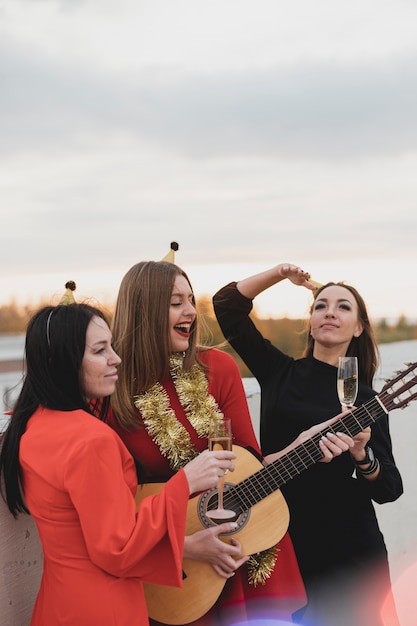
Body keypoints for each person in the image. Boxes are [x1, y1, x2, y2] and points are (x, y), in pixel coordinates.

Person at [105, 258, 354, 626]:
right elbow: (113, 506)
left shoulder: (217, 368)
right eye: (176, 303)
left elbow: (249, 465)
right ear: (142, 309)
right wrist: (184, 547)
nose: (191, 311)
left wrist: (300, 445)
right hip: (176, 569)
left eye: (190, 300)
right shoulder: (111, 389)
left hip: (243, 547)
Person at [0, 296, 237, 626]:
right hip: (104, 608)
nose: (116, 359)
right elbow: (117, 550)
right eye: (99, 351)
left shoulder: (31, 425)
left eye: (111, 346)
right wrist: (185, 482)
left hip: (56, 603)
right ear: (62, 362)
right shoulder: (91, 440)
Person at [213, 263, 404, 626]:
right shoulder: (278, 372)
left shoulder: (366, 399)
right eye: (320, 305)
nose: (330, 311)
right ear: (311, 321)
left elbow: (390, 488)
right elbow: (226, 305)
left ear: (359, 327)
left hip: (349, 549)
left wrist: (362, 455)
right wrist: (280, 275)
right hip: (280, 539)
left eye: (343, 306)